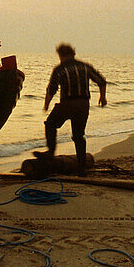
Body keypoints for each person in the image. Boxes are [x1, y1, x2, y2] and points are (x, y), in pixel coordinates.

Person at [38, 43, 107, 176]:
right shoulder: (85, 66)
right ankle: (81, 168)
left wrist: (46, 104)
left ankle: (51, 152)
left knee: (50, 124)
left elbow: (52, 88)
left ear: (60, 55)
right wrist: (102, 97)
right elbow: (101, 81)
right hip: (83, 104)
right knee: (78, 135)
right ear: (73, 54)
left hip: (67, 104)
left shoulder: (60, 69)